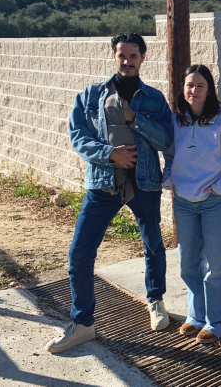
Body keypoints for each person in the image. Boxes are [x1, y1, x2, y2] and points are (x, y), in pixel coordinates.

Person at [45, 33, 174, 353]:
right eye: (122, 55)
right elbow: (78, 136)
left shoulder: (155, 99)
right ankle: (83, 324)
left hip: (144, 184)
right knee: (79, 254)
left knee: (153, 246)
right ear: (114, 57)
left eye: (133, 55)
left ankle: (156, 301)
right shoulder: (90, 96)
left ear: (143, 57)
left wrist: (135, 119)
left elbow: (167, 141)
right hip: (102, 185)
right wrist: (109, 154)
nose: (127, 61)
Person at [162, 64, 221, 344]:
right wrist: (170, 181)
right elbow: (170, 156)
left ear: (209, 90)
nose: (194, 90)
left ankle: (219, 322)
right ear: (183, 89)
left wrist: (218, 188)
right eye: (190, 85)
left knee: (218, 264)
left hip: (215, 203)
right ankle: (196, 317)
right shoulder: (176, 121)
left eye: (200, 85)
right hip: (184, 203)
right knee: (189, 263)